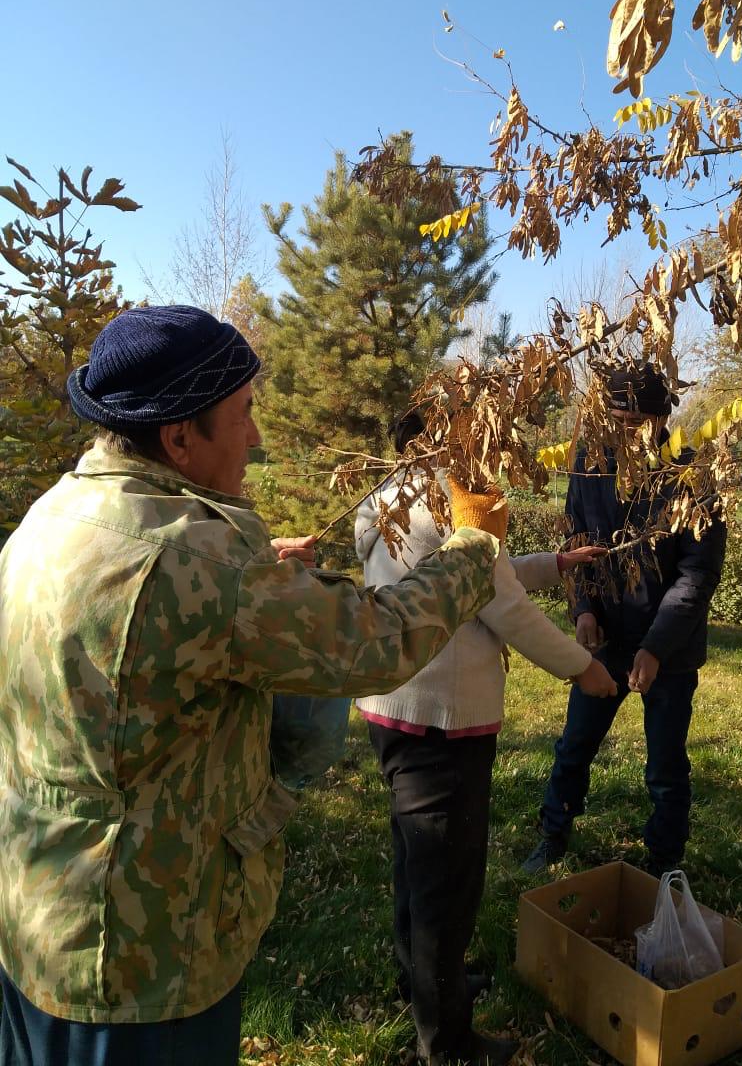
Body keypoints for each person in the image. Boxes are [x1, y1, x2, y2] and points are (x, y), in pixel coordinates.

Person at [0, 305, 503, 1066]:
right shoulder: (196, 563)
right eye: (243, 415)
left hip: (37, 921)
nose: (258, 437)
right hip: (146, 963)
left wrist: (254, 573)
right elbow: (375, 641)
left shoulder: (56, 514)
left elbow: (149, 622)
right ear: (177, 437)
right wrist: (474, 542)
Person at [354, 411, 617, 1066]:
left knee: (418, 864)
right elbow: (500, 602)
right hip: (442, 717)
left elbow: (477, 578)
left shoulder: (385, 498)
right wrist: (581, 668)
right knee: (447, 880)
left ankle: (424, 986)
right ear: (447, 441)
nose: (489, 443)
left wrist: (555, 563)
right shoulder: (459, 503)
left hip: (391, 705)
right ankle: (447, 1044)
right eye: (475, 434)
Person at [522, 364, 727, 878]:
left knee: (665, 766)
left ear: (660, 419)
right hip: (606, 639)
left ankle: (663, 863)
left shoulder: (692, 477)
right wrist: (583, 608)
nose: (622, 433)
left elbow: (697, 575)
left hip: (670, 649)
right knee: (574, 746)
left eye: (634, 422)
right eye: (614, 420)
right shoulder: (590, 464)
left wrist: (656, 647)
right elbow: (575, 538)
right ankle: (552, 835)